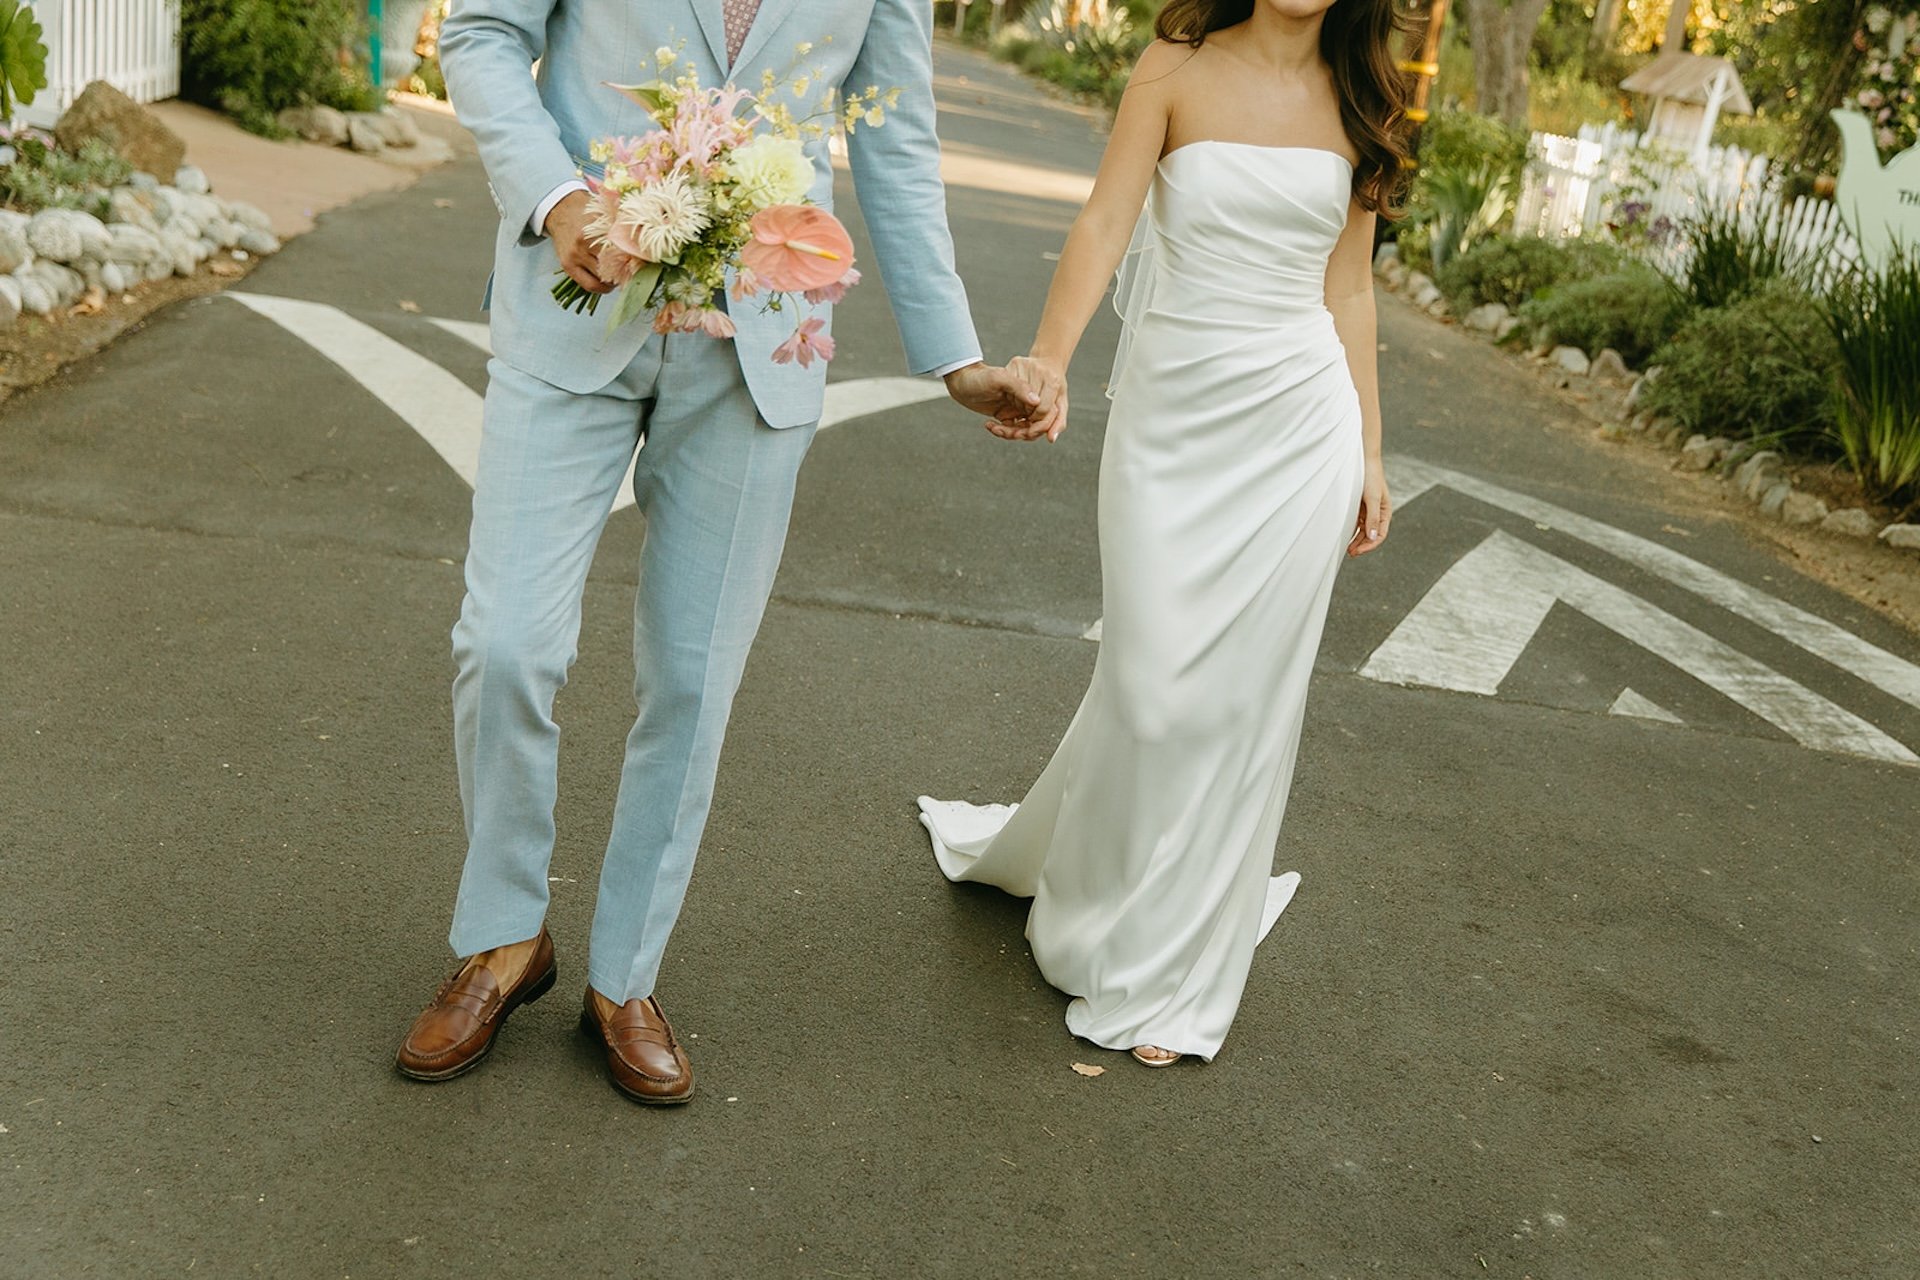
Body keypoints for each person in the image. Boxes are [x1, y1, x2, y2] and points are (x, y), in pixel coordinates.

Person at [395, 0, 1041, 1104]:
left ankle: (624, 976)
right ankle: (504, 937)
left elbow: (895, 138)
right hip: (573, 318)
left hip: (762, 344)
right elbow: (482, 33)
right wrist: (557, 200)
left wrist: (955, 356)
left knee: (694, 679)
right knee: (504, 642)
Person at [917, 0, 1409, 1067]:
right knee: (1148, 690)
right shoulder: (1175, 66)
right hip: (1173, 414)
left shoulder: (1364, 94)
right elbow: (1104, 222)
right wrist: (1048, 357)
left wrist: (1369, 452)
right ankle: (1098, 893)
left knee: (1240, 705)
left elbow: (1352, 287)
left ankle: (1172, 964)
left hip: (1299, 428)